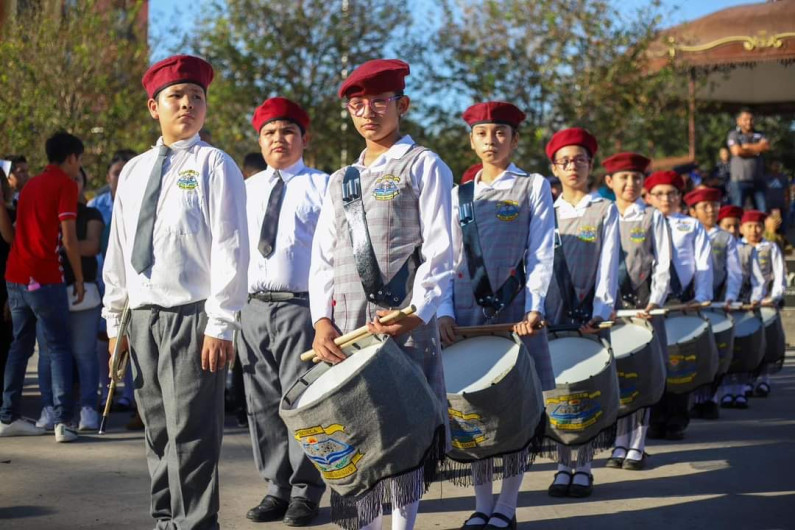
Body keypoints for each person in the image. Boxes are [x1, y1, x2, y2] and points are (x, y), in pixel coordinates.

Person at [102, 54, 249, 529]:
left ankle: (196, 523)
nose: (187, 104)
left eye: (197, 97)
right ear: (154, 107)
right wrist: (114, 322)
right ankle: (165, 520)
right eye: (176, 97)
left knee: (192, 434)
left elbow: (230, 248)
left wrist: (221, 322)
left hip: (192, 317)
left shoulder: (214, 164)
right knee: (158, 432)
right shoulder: (134, 171)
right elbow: (120, 248)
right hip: (142, 317)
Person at [310, 58, 454, 530]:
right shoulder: (339, 180)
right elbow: (324, 259)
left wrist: (420, 310)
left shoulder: (424, 164)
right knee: (356, 426)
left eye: (378, 102)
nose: (367, 112)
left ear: (402, 105)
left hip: (403, 322)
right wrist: (321, 320)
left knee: (404, 428)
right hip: (349, 324)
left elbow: (441, 247)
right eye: (357, 105)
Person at [437, 101, 555, 530]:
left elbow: (541, 252)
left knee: (517, 410)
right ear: (472, 140)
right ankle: (482, 504)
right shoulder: (458, 195)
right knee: (476, 408)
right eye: (483, 134)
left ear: (515, 139)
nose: (492, 141)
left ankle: (507, 506)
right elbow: (447, 260)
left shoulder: (533, 186)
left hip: (517, 312)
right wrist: (445, 312)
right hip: (467, 313)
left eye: (500, 133)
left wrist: (536, 306)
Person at [238, 97, 327, 526]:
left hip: (302, 308)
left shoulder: (322, 186)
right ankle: (276, 486)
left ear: (304, 138)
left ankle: (306, 492)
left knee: (303, 402)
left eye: (288, 131)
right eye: (270, 133)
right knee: (262, 403)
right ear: (260, 139)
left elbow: (334, 255)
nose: (279, 139)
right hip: (252, 308)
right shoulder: (246, 189)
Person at [543, 128, 619, 499]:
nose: (573, 166)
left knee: (586, 388)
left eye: (580, 160)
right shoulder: (546, 211)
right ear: (554, 168)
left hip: (589, 314)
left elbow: (609, 263)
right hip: (552, 313)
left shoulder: (604, 209)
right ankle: (561, 465)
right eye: (565, 161)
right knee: (559, 389)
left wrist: (601, 310)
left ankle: (584, 466)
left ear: (591, 165)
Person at [0, 132, 85, 442]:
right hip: (44, 277)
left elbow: (15, 233)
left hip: (16, 276)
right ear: (72, 158)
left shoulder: (30, 184)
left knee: (19, 346)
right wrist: (77, 278)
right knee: (59, 346)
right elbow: (69, 237)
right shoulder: (65, 185)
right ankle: (63, 421)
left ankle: (7, 416)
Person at [602, 152, 671, 470]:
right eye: (623, 178)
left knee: (643, 377)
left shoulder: (653, 217)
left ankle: (638, 445)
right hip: (612, 313)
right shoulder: (603, 214)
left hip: (644, 309)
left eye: (636, 178)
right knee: (618, 377)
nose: (630, 184)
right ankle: (619, 441)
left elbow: (663, 265)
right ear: (609, 182)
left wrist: (654, 301)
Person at [645, 170, 713, 441]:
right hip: (653, 301)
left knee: (679, 360)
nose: (665, 198)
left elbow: (703, 262)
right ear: (648, 197)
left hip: (682, 300)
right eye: (659, 194)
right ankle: (654, 418)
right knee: (655, 361)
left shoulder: (691, 225)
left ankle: (676, 420)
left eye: (671, 193)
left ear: (679, 196)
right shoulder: (644, 222)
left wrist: (702, 295)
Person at [36, 167, 105, 431]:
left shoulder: (91, 213)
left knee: (84, 353)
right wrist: (71, 244)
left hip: (83, 293)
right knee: (47, 355)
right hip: (48, 290)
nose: (70, 184)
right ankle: (50, 408)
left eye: (76, 180)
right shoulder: (46, 210)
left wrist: (65, 242)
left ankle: (88, 407)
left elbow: (92, 245)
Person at [89, 150, 138, 426]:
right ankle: (103, 389)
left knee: (132, 344)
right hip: (102, 283)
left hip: (137, 286)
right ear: (108, 177)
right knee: (104, 342)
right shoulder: (98, 204)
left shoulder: (142, 199)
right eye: (116, 172)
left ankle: (130, 396)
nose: (121, 177)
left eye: (125, 171)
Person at [683, 187, 741, 420]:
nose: (711, 210)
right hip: (688, 303)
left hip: (715, 302)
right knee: (690, 351)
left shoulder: (725, 238)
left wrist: (730, 297)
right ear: (693, 211)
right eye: (705, 206)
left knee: (714, 352)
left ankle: (710, 399)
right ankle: (690, 398)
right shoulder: (685, 233)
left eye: (714, 206)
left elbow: (735, 272)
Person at [739, 210, 786, 399]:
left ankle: (764, 380)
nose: (754, 230)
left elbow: (780, 275)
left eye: (758, 226)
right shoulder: (737, 247)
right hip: (743, 304)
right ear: (742, 228)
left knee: (767, 343)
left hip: (765, 302)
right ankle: (745, 381)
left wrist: (774, 297)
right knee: (747, 345)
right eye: (749, 226)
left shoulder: (770, 247)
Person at [727, 108, 770, 210]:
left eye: (751, 119)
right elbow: (737, 151)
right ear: (738, 121)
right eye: (745, 119)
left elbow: (766, 147)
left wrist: (746, 147)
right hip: (739, 180)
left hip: (758, 180)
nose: (749, 122)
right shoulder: (734, 134)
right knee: (737, 210)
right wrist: (757, 149)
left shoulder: (760, 134)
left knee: (762, 210)